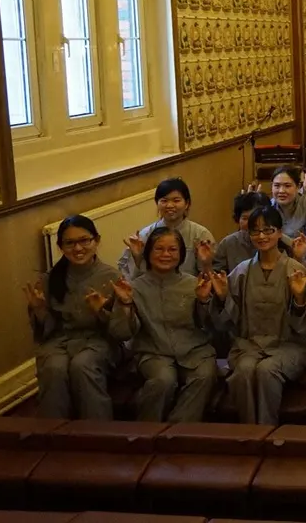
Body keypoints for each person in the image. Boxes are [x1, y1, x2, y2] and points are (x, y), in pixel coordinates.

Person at [208, 206, 306, 425]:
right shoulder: (242, 270)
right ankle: (248, 432)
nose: (262, 236)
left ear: (279, 232)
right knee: (244, 370)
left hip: (288, 345)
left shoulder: (295, 270)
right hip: (249, 345)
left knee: (267, 370)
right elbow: (227, 321)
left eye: (268, 230)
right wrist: (222, 297)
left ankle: (267, 432)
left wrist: (300, 299)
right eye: (255, 231)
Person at [107, 227, 217, 422]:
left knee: (205, 376)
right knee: (163, 380)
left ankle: (177, 432)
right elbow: (121, 332)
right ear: (148, 253)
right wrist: (125, 304)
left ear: (181, 254)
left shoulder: (193, 284)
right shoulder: (134, 287)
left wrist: (203, 301)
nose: (166, 254)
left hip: (195, 350)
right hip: (153, 352)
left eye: (172, 250)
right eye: (159, 249)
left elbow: (208, 325)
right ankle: (147, 432)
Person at [27, 216, 121, 420]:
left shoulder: (111, 277)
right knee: (54, 368)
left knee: (83, 365)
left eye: (84, 240)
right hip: (59, 340)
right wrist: (39, 310)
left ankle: (98, 434)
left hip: (99, 341)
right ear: (60, 246)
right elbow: (46, 329)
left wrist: (101, 312)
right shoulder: (50, 278)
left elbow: (121, 330)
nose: (78, 248)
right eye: (70, 243)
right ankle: (54, 435)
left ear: (96, 240)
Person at [120, 178, 214, 279]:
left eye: (176, 200)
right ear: (157, 203)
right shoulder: (145, 235)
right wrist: (137, 258)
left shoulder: (200, 234)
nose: (169, 205)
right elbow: (133, 280)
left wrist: (206, 263)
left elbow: (209, 280)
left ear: (187, 204)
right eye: (164, 201)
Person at [269, 167, 306, 269]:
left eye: (287, 186)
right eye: (276, 186)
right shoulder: (268, 207)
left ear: (298, 187)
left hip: (304, 261)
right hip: (274, 261)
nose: (281, 191)